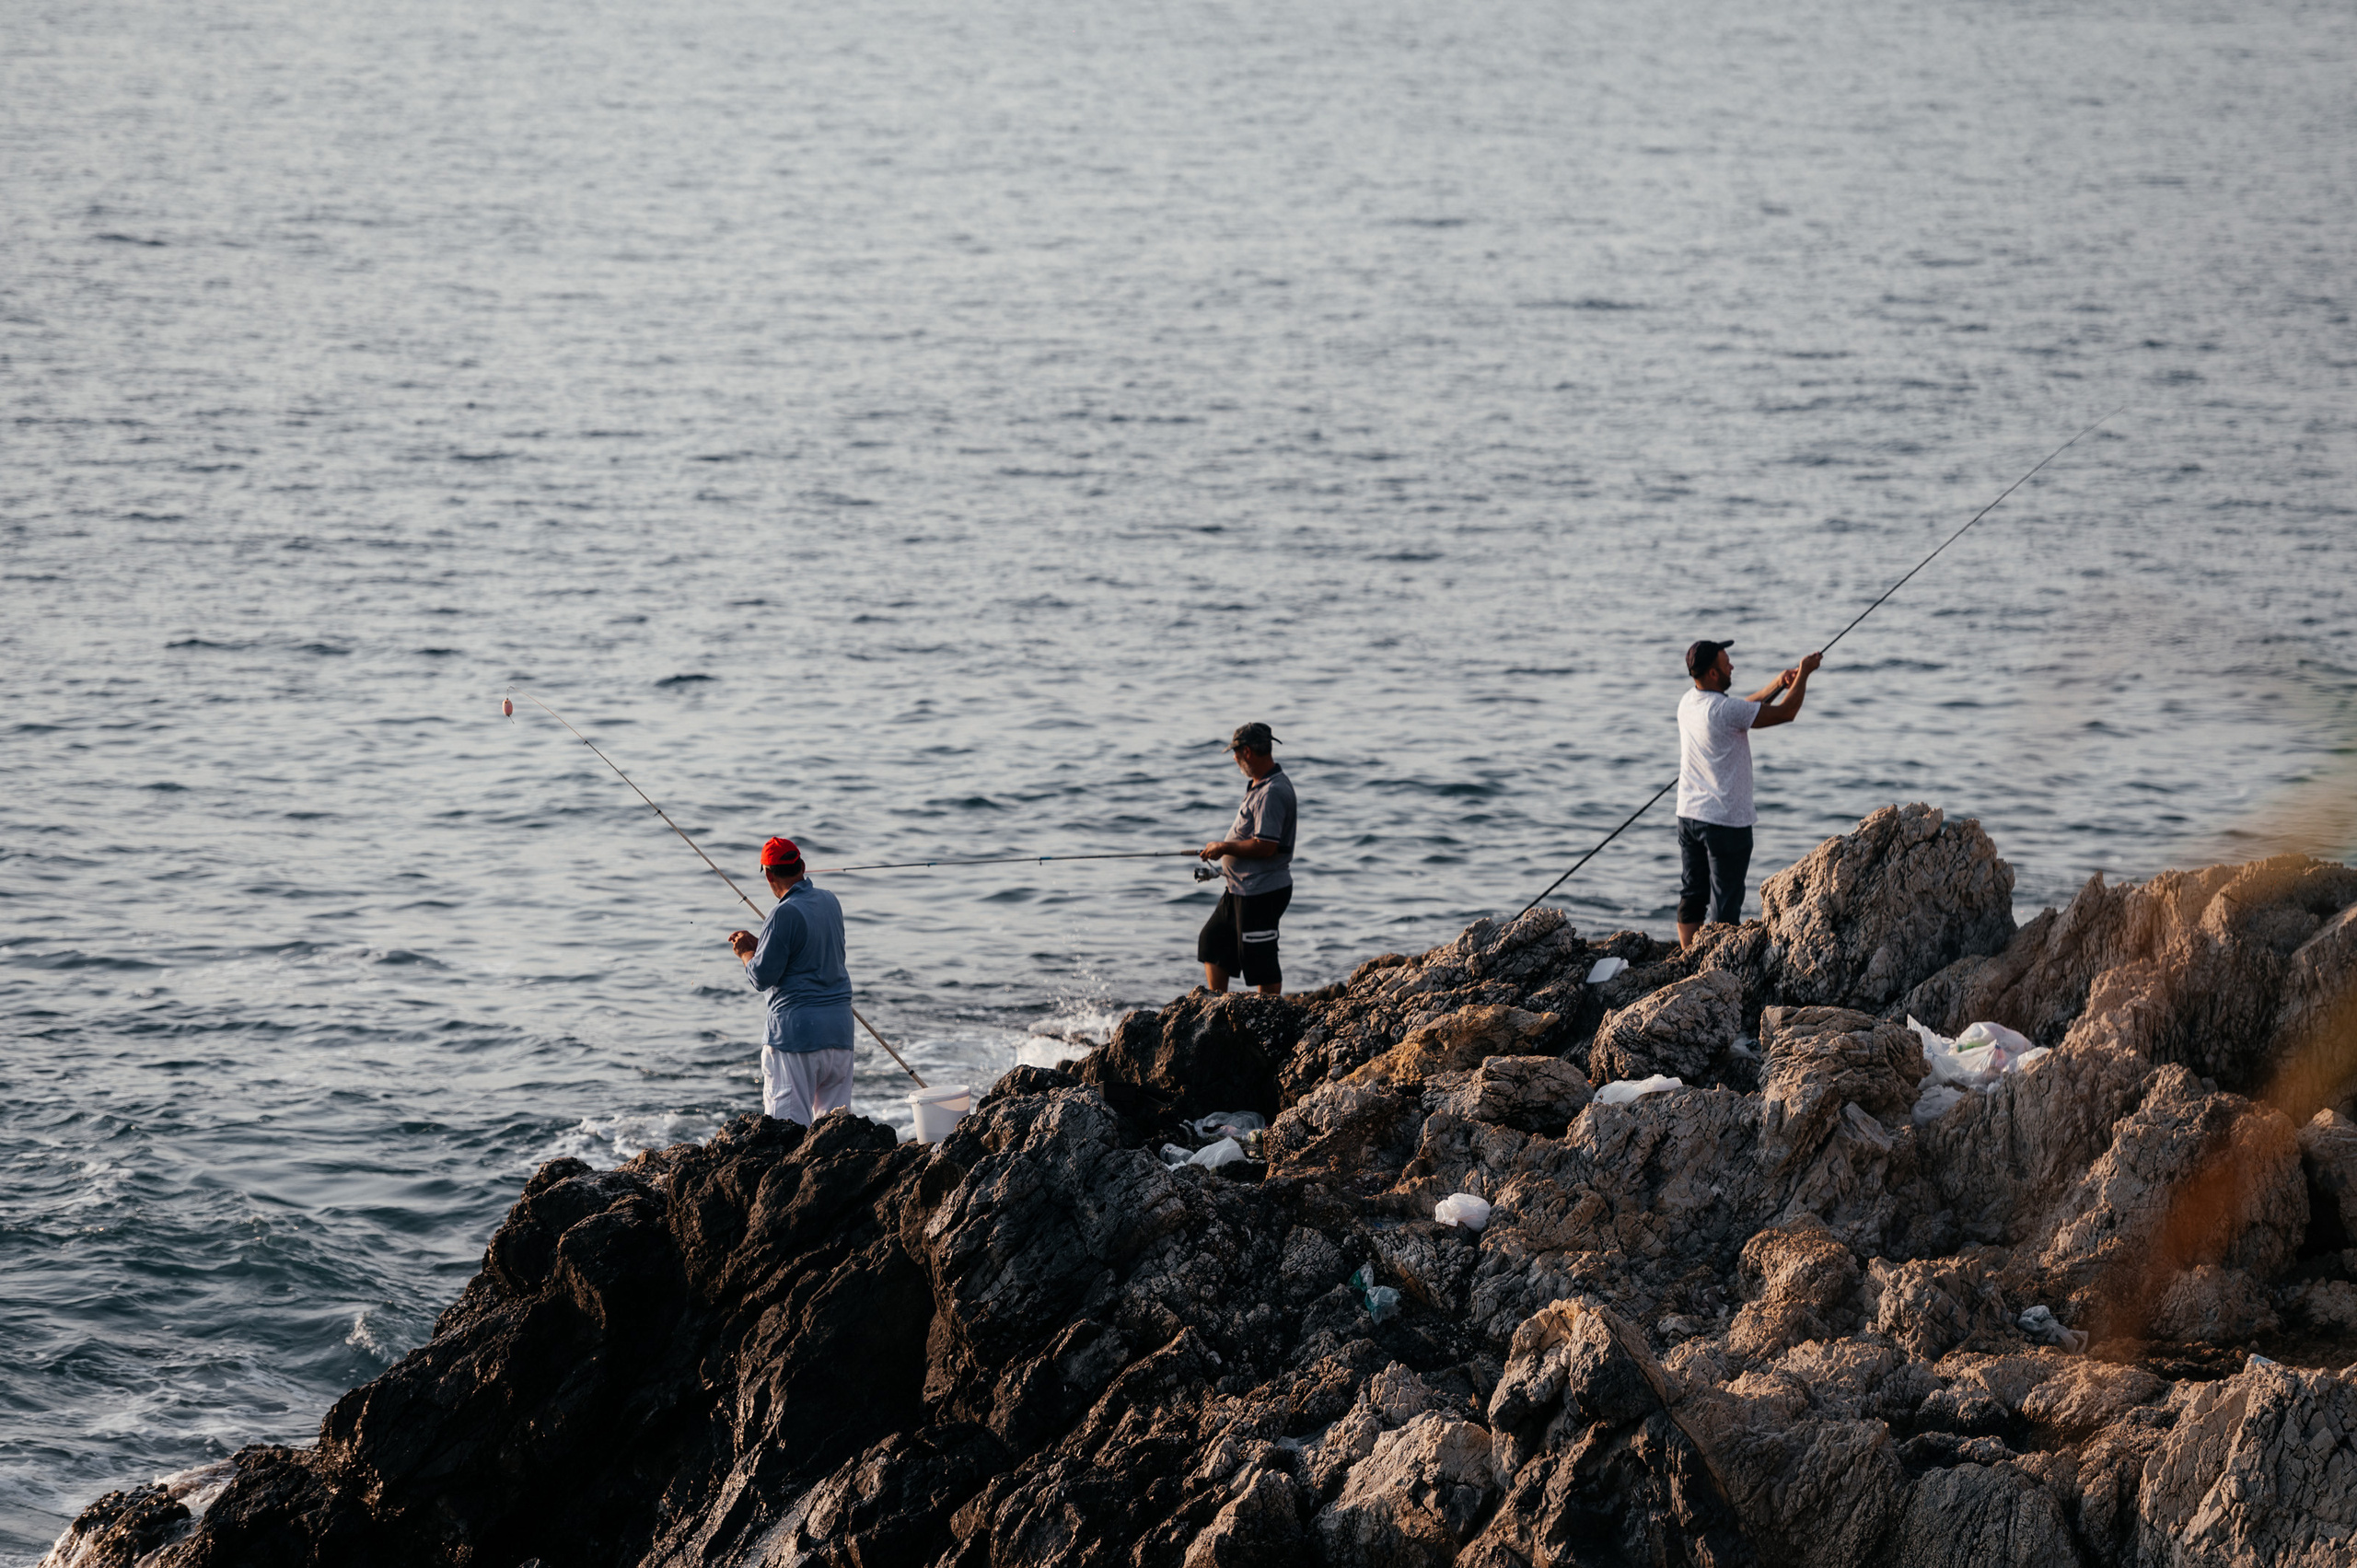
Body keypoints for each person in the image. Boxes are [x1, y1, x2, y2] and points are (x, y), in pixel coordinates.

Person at [1675, 639, 1823, 947]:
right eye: (1726, 663)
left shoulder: (1689, 701)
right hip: (1726, 822)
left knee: (1693, 893)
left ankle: (1688, 957)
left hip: (1689, 815)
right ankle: (1714, 970)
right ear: (1714, 674)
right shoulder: (1725, 711)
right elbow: (1786, 713)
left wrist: (1777, 683)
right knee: (1725, 903)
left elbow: (1742, 708)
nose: (1732, 666)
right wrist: (1806, 672)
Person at [726, 836, 857, 1124]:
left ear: (769, 874)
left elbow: (761, 977)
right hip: (839, 1034)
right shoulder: (830, 901)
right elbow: (807, 954)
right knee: (832, 1133)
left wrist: (747, 952)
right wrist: (766, 946)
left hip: (796, 1039)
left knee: (787, 1132)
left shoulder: (782, 913)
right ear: (803, 866)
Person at [1197, 721, 1298, 995]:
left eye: (1236, 752)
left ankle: (1269, 1019)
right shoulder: (1260, 784)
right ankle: (1217, 1006)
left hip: (1262, 891)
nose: (1234, 757)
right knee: (1213, 943)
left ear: (1248, 752)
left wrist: (1224, 848)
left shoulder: (1273, 791)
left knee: (1261, 961)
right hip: (1240, 887)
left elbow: (1266, 846)